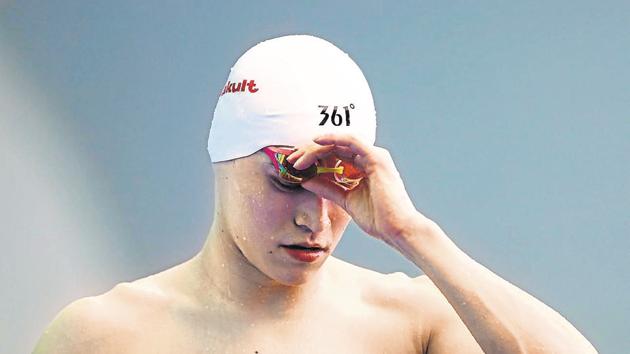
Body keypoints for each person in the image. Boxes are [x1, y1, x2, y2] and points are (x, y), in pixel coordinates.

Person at [34, 34, 597, 353]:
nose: (316, 219)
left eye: (343, 184)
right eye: (289, 180)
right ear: (225, 159)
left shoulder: (409, 322)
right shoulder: (101, 336)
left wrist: (412, 233)